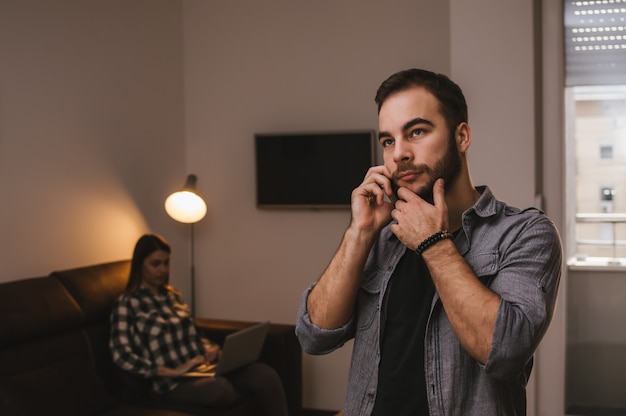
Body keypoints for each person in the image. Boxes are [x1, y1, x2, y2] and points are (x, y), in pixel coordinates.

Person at [295, 68, 562, 416]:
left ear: (462, 136)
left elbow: (505, 351)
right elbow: (314, 336)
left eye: (416, 131)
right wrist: (358, 233)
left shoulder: (525, 233)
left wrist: (434, 243)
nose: (398, 154)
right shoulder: (381, 237)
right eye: (388, 141)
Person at [110, 233, 288, 416]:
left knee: (265, 375)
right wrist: (167, 371)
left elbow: (194, 336)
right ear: (140, 265)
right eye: (155, 264)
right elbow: (121, 354)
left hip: (201, 368)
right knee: (220, 389)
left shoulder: (173, 296)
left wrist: (212, 349)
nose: (162, 270)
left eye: (166, 263)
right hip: (173, 382)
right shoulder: (127, 303)